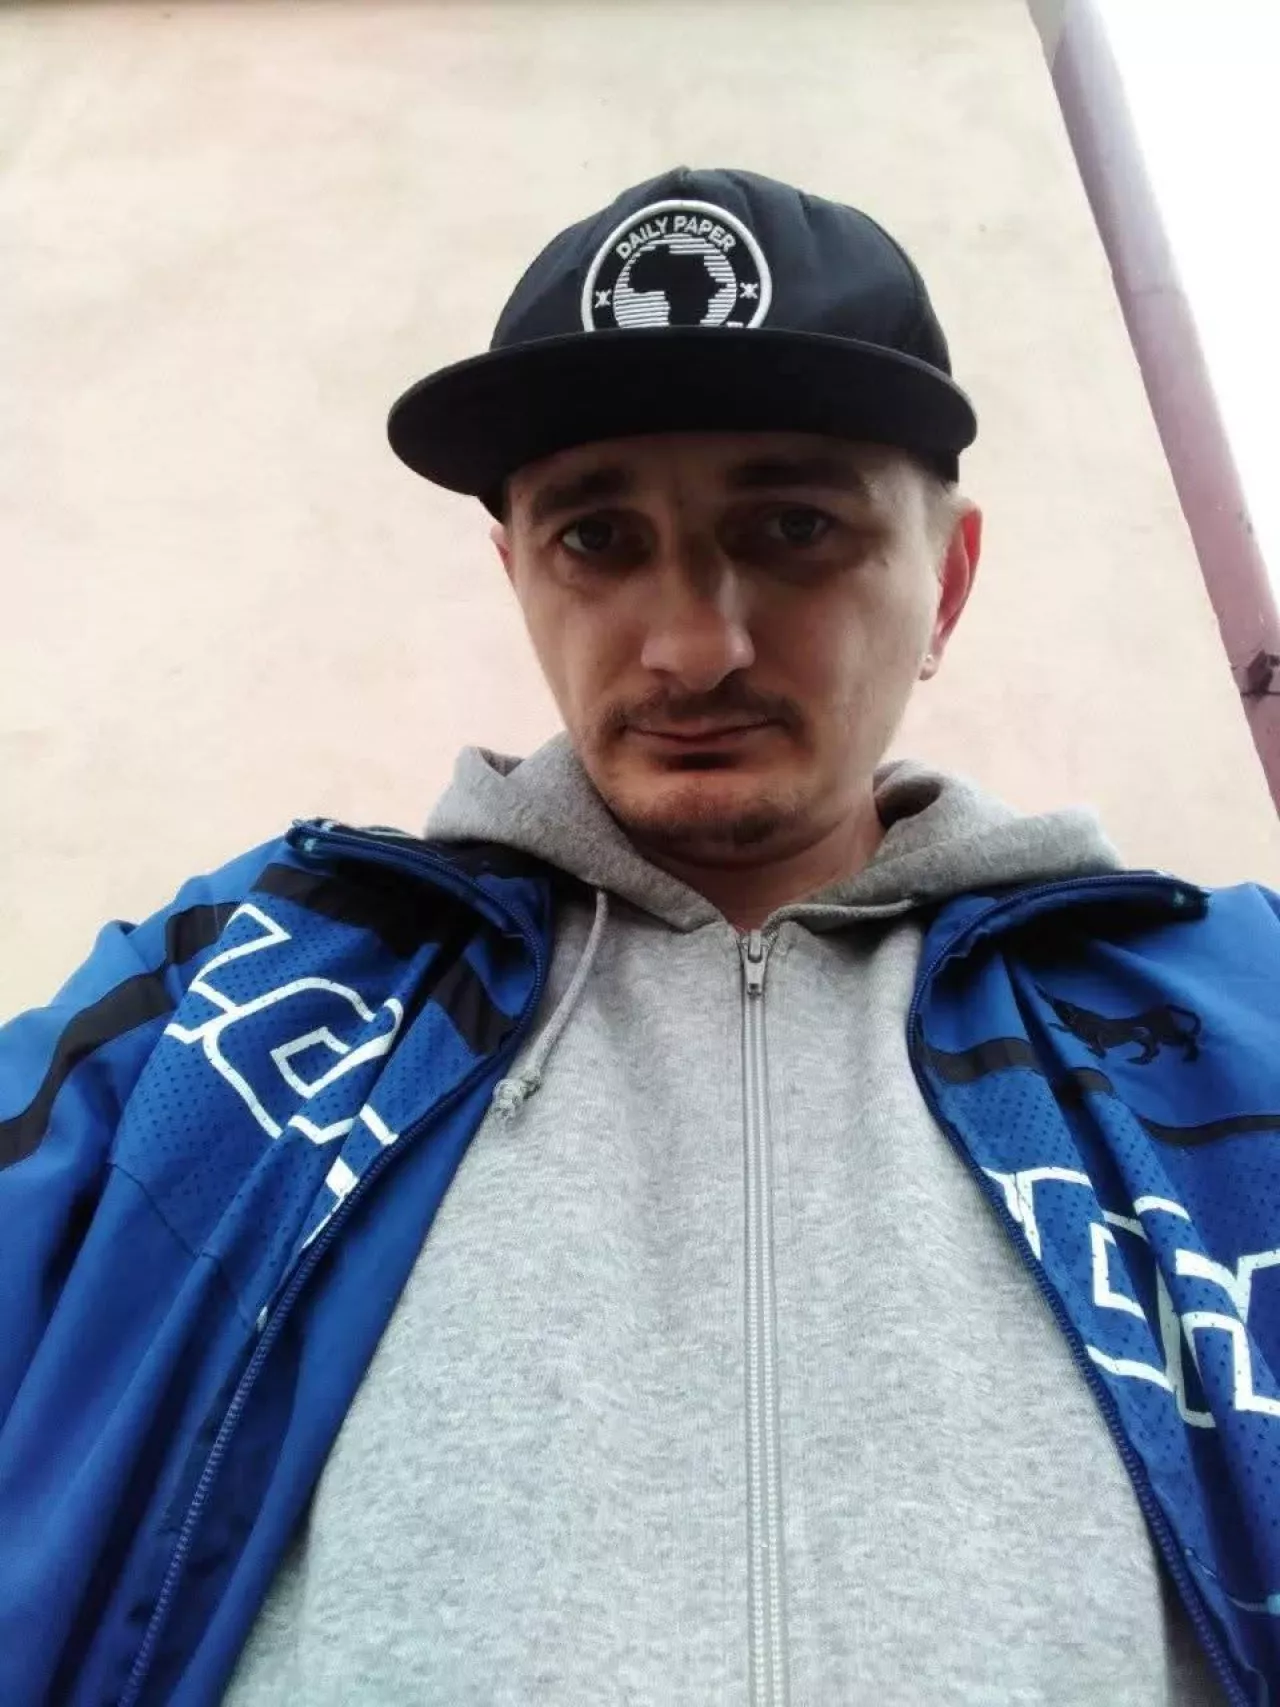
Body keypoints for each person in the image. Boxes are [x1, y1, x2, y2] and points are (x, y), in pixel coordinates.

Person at [0, 164, 1275, 1707]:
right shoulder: (228, 1000)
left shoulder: (1232, 1016)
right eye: (598, 537)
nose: (693, 644)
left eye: (794, 525)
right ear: (517, 573)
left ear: (945, 582)